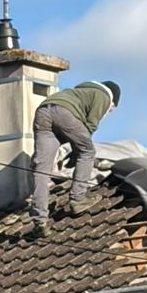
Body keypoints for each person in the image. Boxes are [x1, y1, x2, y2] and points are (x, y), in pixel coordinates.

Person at [29, 78, 121, 237]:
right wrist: (78, 151)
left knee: (41, 169)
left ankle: (40, 221)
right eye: (111, 110)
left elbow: (69, 134)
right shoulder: (103, 95)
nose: (109, 111)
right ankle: (78, 199)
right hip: (64, 113)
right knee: (88, 152)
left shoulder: (80, 92)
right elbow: (90, 126)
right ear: (112, 102)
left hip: (43, 111)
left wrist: (74, 149)